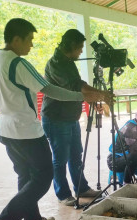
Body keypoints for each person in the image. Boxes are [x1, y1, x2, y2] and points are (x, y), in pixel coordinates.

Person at [0, 18, 108, 220]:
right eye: (29, 40)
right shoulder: (18, 63)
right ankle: (7, 218)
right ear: (16, 39)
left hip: (7, 130)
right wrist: (83, 96)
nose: (31, 45)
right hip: (26, 131)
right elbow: (50, 90)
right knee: (44, 176)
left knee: (26, 177)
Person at [41, 29, 112, 206]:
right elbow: (77, 86)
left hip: (70, 117)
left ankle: (81, 188)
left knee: (75, 155)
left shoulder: (68, 61)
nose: (81, 51)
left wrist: (94, 99)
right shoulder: (56, 63)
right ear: (71, 45)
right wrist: (101, 94)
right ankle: (63, 194)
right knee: (60, 159)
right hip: (56, 118)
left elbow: (78, 88)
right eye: (79, 47)